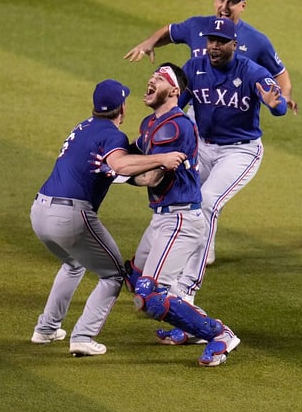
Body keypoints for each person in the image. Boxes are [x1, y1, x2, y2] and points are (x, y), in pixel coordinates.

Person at [30, 79, 186, 357]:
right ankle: (82, 336)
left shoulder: (84, 127)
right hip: (70, 215)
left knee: (73, 263)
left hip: (40, 211)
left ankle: (46, 329)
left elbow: (118, 170)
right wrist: (162, 159)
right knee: (113, 275)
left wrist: (144, 159)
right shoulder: (113, 136)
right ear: (122, 108)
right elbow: (120, 163)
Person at [120, 63, 241, 366]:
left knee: (149, 296)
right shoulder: (151, 123)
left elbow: (150, 178)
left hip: (180, 221)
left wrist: (114, 172)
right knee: (135, 278)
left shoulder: (175, 126)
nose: (150, 80)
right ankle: (193, 328)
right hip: (162, 217)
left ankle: (220, 335)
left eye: (159, 79)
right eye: (151, 77)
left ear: (174, 91)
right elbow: (134, 151)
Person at [170, 17, 287, 305]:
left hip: (240, 151)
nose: (214, 46)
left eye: (221, 42)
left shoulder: (251, 71)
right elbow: (175, 108)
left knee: (207, 202)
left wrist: (276, 105)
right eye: (211, 41)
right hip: (203, 146)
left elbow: (278, 103)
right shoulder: (194, 68)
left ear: (235, 45)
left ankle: (187, 290)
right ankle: (167, 273)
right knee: (180, 202)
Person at [124, 0, 297, 116]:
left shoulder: (257, 40)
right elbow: (170, 32)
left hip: (235, 114)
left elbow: (279, 73)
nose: (225, 7)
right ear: (215, 0)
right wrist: (150, 42)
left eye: (232, 2)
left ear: (243, 6)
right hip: (199, 109)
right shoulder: (197, 26)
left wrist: (283, 97)